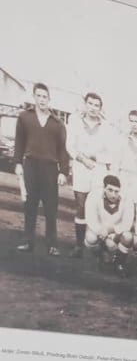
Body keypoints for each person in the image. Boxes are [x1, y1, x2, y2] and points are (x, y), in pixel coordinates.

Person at [14, 82, 70, 257]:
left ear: (49, 99)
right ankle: (27, 241)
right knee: (30, 205)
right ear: (34, 97)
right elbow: (19, 142)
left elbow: (63, 150)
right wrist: (18, 163)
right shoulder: (24, 117)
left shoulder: (57, 123)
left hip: (50, 169)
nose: (42, 99)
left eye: (45, 96)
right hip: (30, 166)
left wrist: (63, 172)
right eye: (38, 96)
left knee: (51, 208)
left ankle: (52, 245)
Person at [67, 91, 117, 251]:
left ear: (101, 108)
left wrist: (95, 157)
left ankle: (100, 246)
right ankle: (79, 246)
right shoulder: (75, 121)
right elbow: (70, 146)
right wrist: (83, 159)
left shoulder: (107, 127)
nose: (93, 108)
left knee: (99, 206)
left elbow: (111, 153)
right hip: (81, 168)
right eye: (90, 104)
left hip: (98, 170)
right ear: (85, 104)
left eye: (97, 105)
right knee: (81, 206)